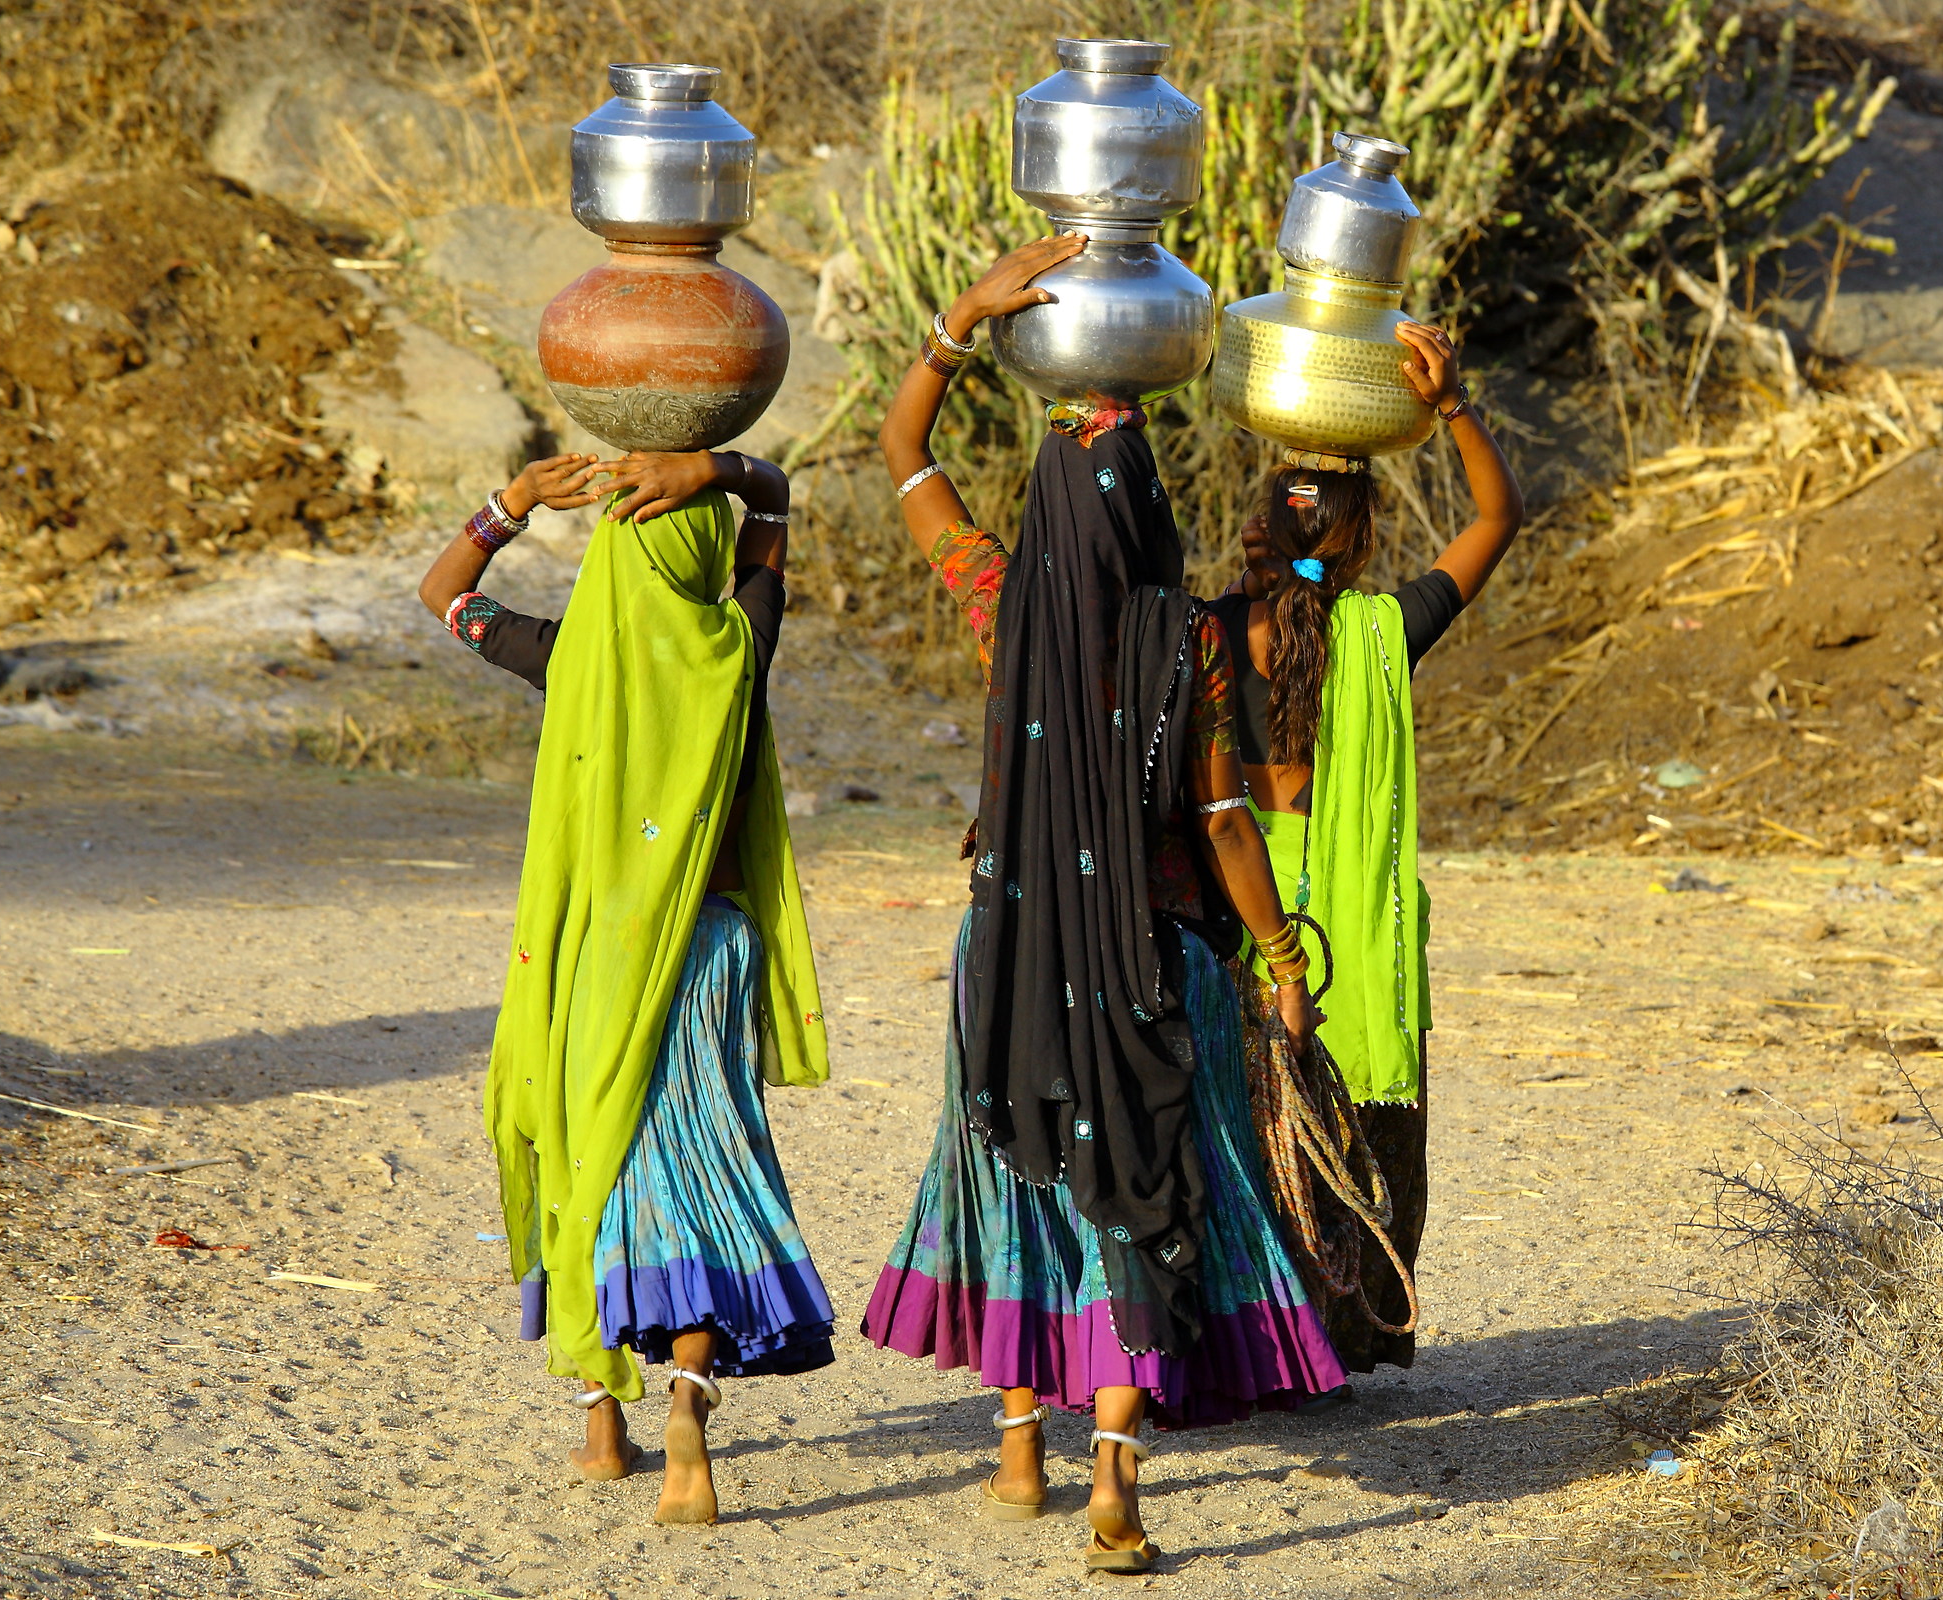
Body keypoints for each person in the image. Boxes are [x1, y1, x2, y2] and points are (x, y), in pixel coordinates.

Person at [859, 236, 1341, 1575]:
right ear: (1148, 515)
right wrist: (1280, 957)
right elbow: (1227, 820)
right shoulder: (1190, 640)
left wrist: (963, 320)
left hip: (1010, 948)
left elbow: (904, 453)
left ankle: (1020, 1443)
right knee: (1141, 1190)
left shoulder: (1001, 600)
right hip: (1152, 959)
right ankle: (1113, 1479)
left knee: (1022, 1164)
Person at [417, 447, 834, 1526]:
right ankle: (689, 1392)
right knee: (700, 1164)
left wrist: (512, 502)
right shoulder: (739, 640)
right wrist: (725, 470)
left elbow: (442, 594)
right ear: (701, 558)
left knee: (593, 1159)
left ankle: (604, 1424)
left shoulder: (569, 655)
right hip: (713, 954)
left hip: (600, 959)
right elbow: (774, 513)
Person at [1210, 320, 1522, 1375]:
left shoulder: (1210, 634)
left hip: (1245, 913)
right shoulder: (1388, 635)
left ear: (1257, 534)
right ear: (1362, 539)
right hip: (1357, 942)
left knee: (1249, 1130)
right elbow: (1497, 516)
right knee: (1346, 1137)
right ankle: (1336, 1341)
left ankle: (1247, 1344)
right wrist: (1452, 403)